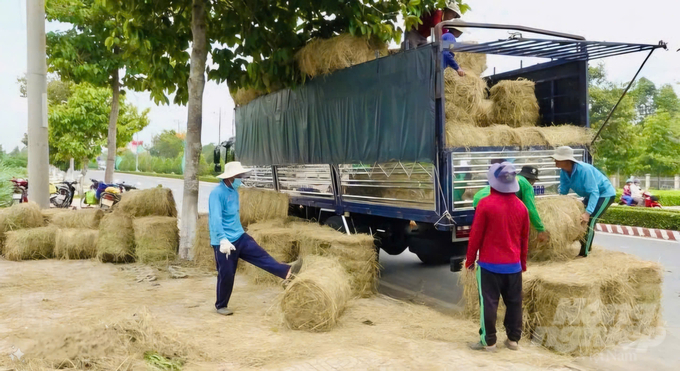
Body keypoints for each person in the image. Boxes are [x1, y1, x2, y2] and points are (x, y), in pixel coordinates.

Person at [209, 161, 303, 316]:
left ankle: (287, 272)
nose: (241, 178)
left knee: (260, 254)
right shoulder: (217, 194)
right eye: (239, 175)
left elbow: (232, 216)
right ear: (231, 176)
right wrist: (222, 239)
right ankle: (221, 305)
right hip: (224, 242)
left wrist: (241, 231)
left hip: (239, 236)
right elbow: (216, 219)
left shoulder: (234, 191)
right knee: (227, 273)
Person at [466, 162, 529, 352]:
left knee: (489, 303)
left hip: (489, 265)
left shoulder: (485, 204)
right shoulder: (521, 208)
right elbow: (524, 240)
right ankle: (513, 340)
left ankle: (489, 341)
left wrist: (469, 260)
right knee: (514, 302)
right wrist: (522, 263)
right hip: (513, 266)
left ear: (493, 182)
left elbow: (475, 235)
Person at [552, 146, 616, 257]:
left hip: (604, 194)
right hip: (589, 195)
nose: (555, 161)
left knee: (589, 220)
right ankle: (588, 246)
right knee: (579, 219)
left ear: (567, 160)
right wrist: (558, 203)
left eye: (557, 159)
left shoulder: (584, 170)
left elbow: (594, 192)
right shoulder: (563, 171)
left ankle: (584, 253)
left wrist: (587, 213)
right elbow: (563, 189)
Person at [472, 165, 549, 243]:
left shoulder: (512, 178)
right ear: (532, 181)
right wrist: (540, 229)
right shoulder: (527, 185)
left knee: (486, 234)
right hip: (492, 203)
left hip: (478, 200)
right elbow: (530, 208)